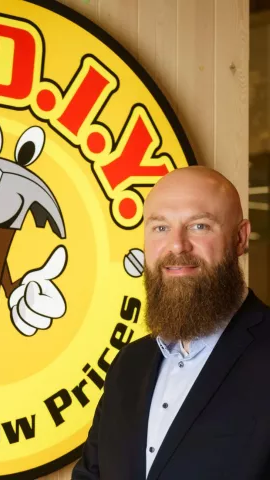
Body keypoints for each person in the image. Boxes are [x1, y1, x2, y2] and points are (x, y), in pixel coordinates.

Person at [72, 166, 270, 480]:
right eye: (161, 227)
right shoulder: (128, 365)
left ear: (240, 238)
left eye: (199, 226)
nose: (177, 245)